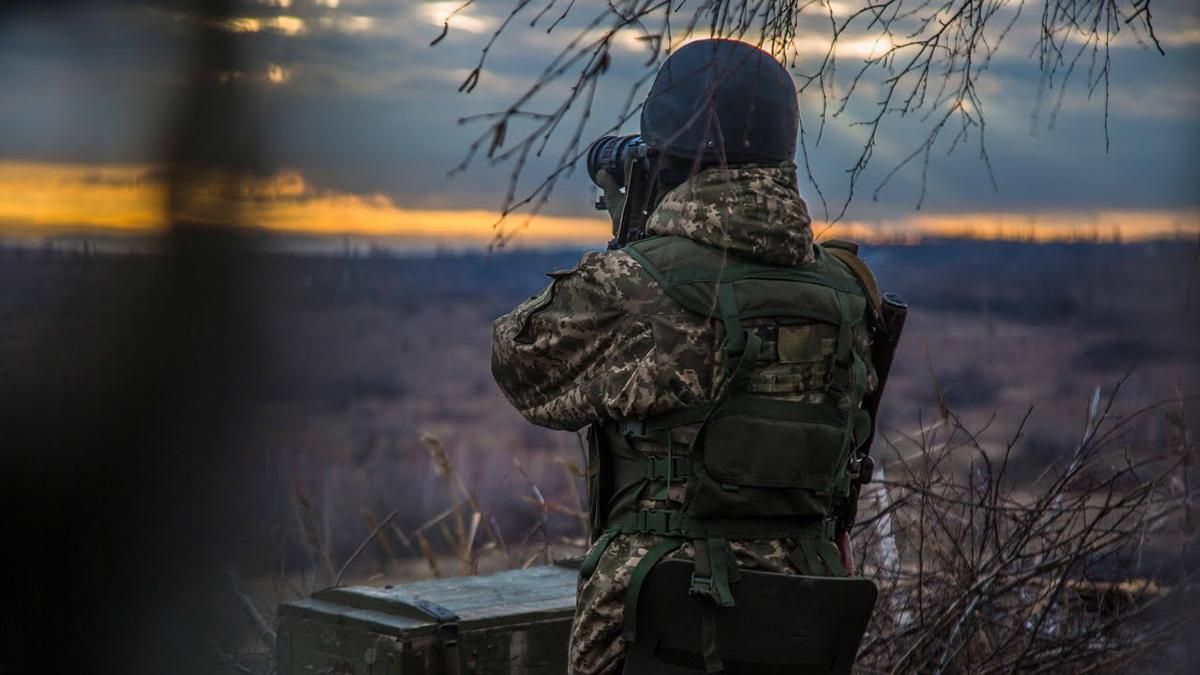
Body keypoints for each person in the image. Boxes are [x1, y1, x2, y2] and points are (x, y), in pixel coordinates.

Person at [491, 38, 881, 675]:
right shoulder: (847, 292)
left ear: (672, 154)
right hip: (806, 608)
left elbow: (520, 362)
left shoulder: (638, 285)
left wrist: (631, 241)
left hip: (661, 612)